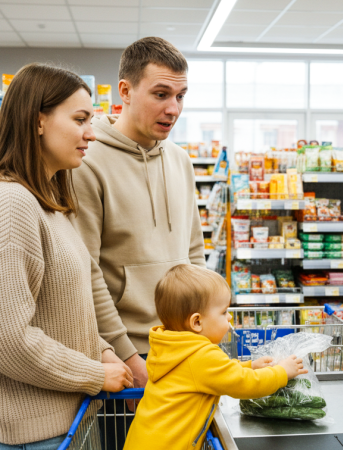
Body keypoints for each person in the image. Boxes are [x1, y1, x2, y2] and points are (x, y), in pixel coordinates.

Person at [0, 63, 134, 450]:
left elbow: (59, 304)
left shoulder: (48, 198)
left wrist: (100, 347)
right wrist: (92, 372)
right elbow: (5, 338)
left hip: (60, 420)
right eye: (80, 119)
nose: (91, 133)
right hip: (28, 432)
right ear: (38, 121)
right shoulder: (11, 205)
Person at [71, 36, 205, 389]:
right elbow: (86, 270)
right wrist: (126, 356)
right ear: (125, 91)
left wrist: (203, 331)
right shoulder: (87, 162)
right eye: (160, 95)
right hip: (128, 355)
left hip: (184, 346)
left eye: (180, 96)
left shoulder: (180, 161)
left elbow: (193, 254)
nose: (173, 108)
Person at [123, 265, 307, 449]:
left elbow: (218, 371)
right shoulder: (200, 355)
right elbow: (245, 384)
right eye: (224, 312)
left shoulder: (174, 346)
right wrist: (281, 372)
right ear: (197, 322)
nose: (229, 318)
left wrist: (250, 366)